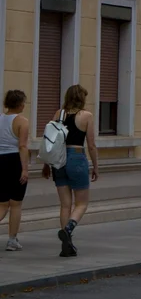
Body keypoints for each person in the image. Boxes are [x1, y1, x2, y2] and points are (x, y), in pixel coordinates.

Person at [44, 83, 98, 257]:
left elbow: (49, 141)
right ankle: (68, 229)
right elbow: (91, 144)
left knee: (65, 204)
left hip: (58, 160)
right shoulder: (87, 116)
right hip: (76, 156)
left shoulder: (58, 114)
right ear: (82, 98)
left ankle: (66, 245)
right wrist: (96, 166)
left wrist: (46, 164)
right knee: (81, 203)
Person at [0, 89, 30, 252]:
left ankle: (12, 239)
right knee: (16, 203)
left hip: (0, 160)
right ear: (19, 104)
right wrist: (24, 169)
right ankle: (12, 240)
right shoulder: (22, 121)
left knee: (2, 203)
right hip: (14, 161)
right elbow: (22, 146)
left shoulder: (0, 119)